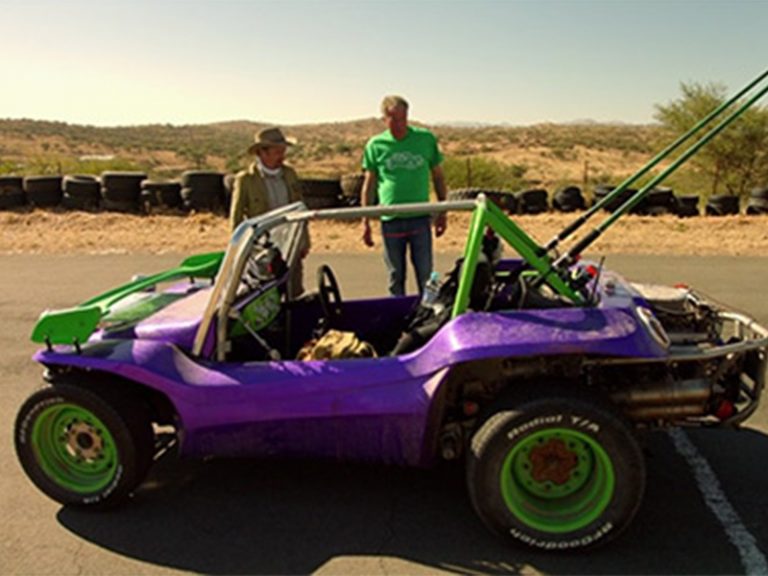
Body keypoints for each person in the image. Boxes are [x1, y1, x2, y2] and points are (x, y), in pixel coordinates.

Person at [361, 95, 448, 296]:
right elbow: (369, 183)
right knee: (395, 275)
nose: (399, 124)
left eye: (403, 118)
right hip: (391, 219)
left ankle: (427, 316)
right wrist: (365, 220)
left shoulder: (425, 139)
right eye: (393, 119)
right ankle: (398, 318)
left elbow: (438, 177)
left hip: (420, 217)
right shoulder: (376, 145)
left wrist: (442, 211)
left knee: (426, 274)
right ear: (384, 119)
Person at [230, 126, 308, 296]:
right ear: (261, 153)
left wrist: (304, 241)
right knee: (266, 294)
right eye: (277, 151)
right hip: (262, 248)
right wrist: (240, 249)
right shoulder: (246, 180)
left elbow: (301, 209)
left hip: (290, 242)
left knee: (294, 291)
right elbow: (236, 220)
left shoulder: (290, 174)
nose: (282, 156)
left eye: (283, 151)